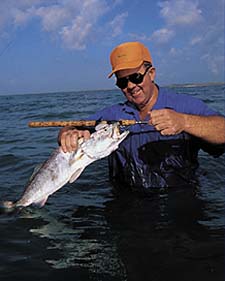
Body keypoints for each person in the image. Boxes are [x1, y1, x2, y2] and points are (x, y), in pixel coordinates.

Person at [58, 41, 225, 192]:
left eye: (136, 77)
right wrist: (68, 134)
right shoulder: (112, 114)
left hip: (180, 201)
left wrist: (184, 121)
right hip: (125, 204)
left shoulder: (185, 105)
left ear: (151, 73)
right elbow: (73, 127)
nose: (130, 86)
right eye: (122, 82)